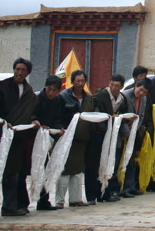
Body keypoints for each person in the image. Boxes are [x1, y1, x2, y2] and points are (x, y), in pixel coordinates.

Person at [0, 57, 38, 219]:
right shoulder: (2, 87)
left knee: (13, 174)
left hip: (18, 138)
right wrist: (1, 124)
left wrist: (33, 121)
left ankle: (9, 207)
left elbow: (31, 113)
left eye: (23, 70)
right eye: (17, 69)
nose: (19, 73)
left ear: (28, 72)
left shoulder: (29, 92)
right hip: (1, 137)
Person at [57, 70, 94, 207]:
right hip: (66, 139)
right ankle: (60, 201)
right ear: (72, 81)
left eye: (82, 81)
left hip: (82, 139)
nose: (80, 84)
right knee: (64, 171)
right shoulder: (63, 97)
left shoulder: (88, 98)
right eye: (77, 81)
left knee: (78, 171)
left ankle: (75, 199)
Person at [91, 74, 128, 202]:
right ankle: (97, 194)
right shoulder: (100, 97)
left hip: (113, 136)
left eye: (117, 86)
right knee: (98, 166)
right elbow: (96, 115)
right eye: (112, 84)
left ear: (121, 87)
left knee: (111, 164)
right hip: (99, 136)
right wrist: (108, 119)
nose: (113, 88)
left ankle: (107, 192)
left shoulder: (122, 99)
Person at [32, 75, 65, 210]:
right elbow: (32, 115)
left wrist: (58, 129)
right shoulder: (36, 99)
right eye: (49, 89)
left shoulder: (58, 101)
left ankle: (43, 200)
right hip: (34, 138)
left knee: (45, 169)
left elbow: (58, 118)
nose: (51, 93)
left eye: (54, 90)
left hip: (48, 138)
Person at [120, 77, 153, 195]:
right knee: (123, 161)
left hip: (134, 133)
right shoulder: (125, 96)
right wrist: (127, 134)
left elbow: (141, 116)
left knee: (133, 161)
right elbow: (121, 117)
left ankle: (131, 186)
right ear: (136, 86)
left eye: (145, 92)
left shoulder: (143, 99)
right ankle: (122, 188)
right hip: (122, 133)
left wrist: (134, 131)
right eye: (140, 90)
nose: (141, 93)